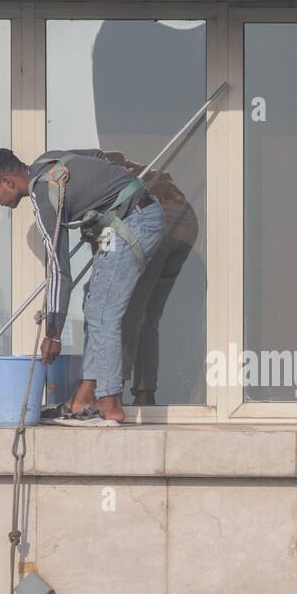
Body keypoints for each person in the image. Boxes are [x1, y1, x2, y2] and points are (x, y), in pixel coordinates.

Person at [0, 147, 165, 425]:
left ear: (8, 182)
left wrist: (53, 334)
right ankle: (85, 395)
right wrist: (98, 205)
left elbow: (58, 271)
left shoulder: (43, 197)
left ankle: (110, 403)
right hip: (133, 217)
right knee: (94, 301)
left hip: (134, 222)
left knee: (103, 312)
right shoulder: (49, 160)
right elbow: (100, 157)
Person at [104, 151, 199, 406]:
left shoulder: (105, 176)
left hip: (160, 227)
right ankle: (145, 393)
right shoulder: (135, 170)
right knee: (147, 317)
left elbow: (110, 230)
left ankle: (112, 392)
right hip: (186, 225)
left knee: (127, 313)